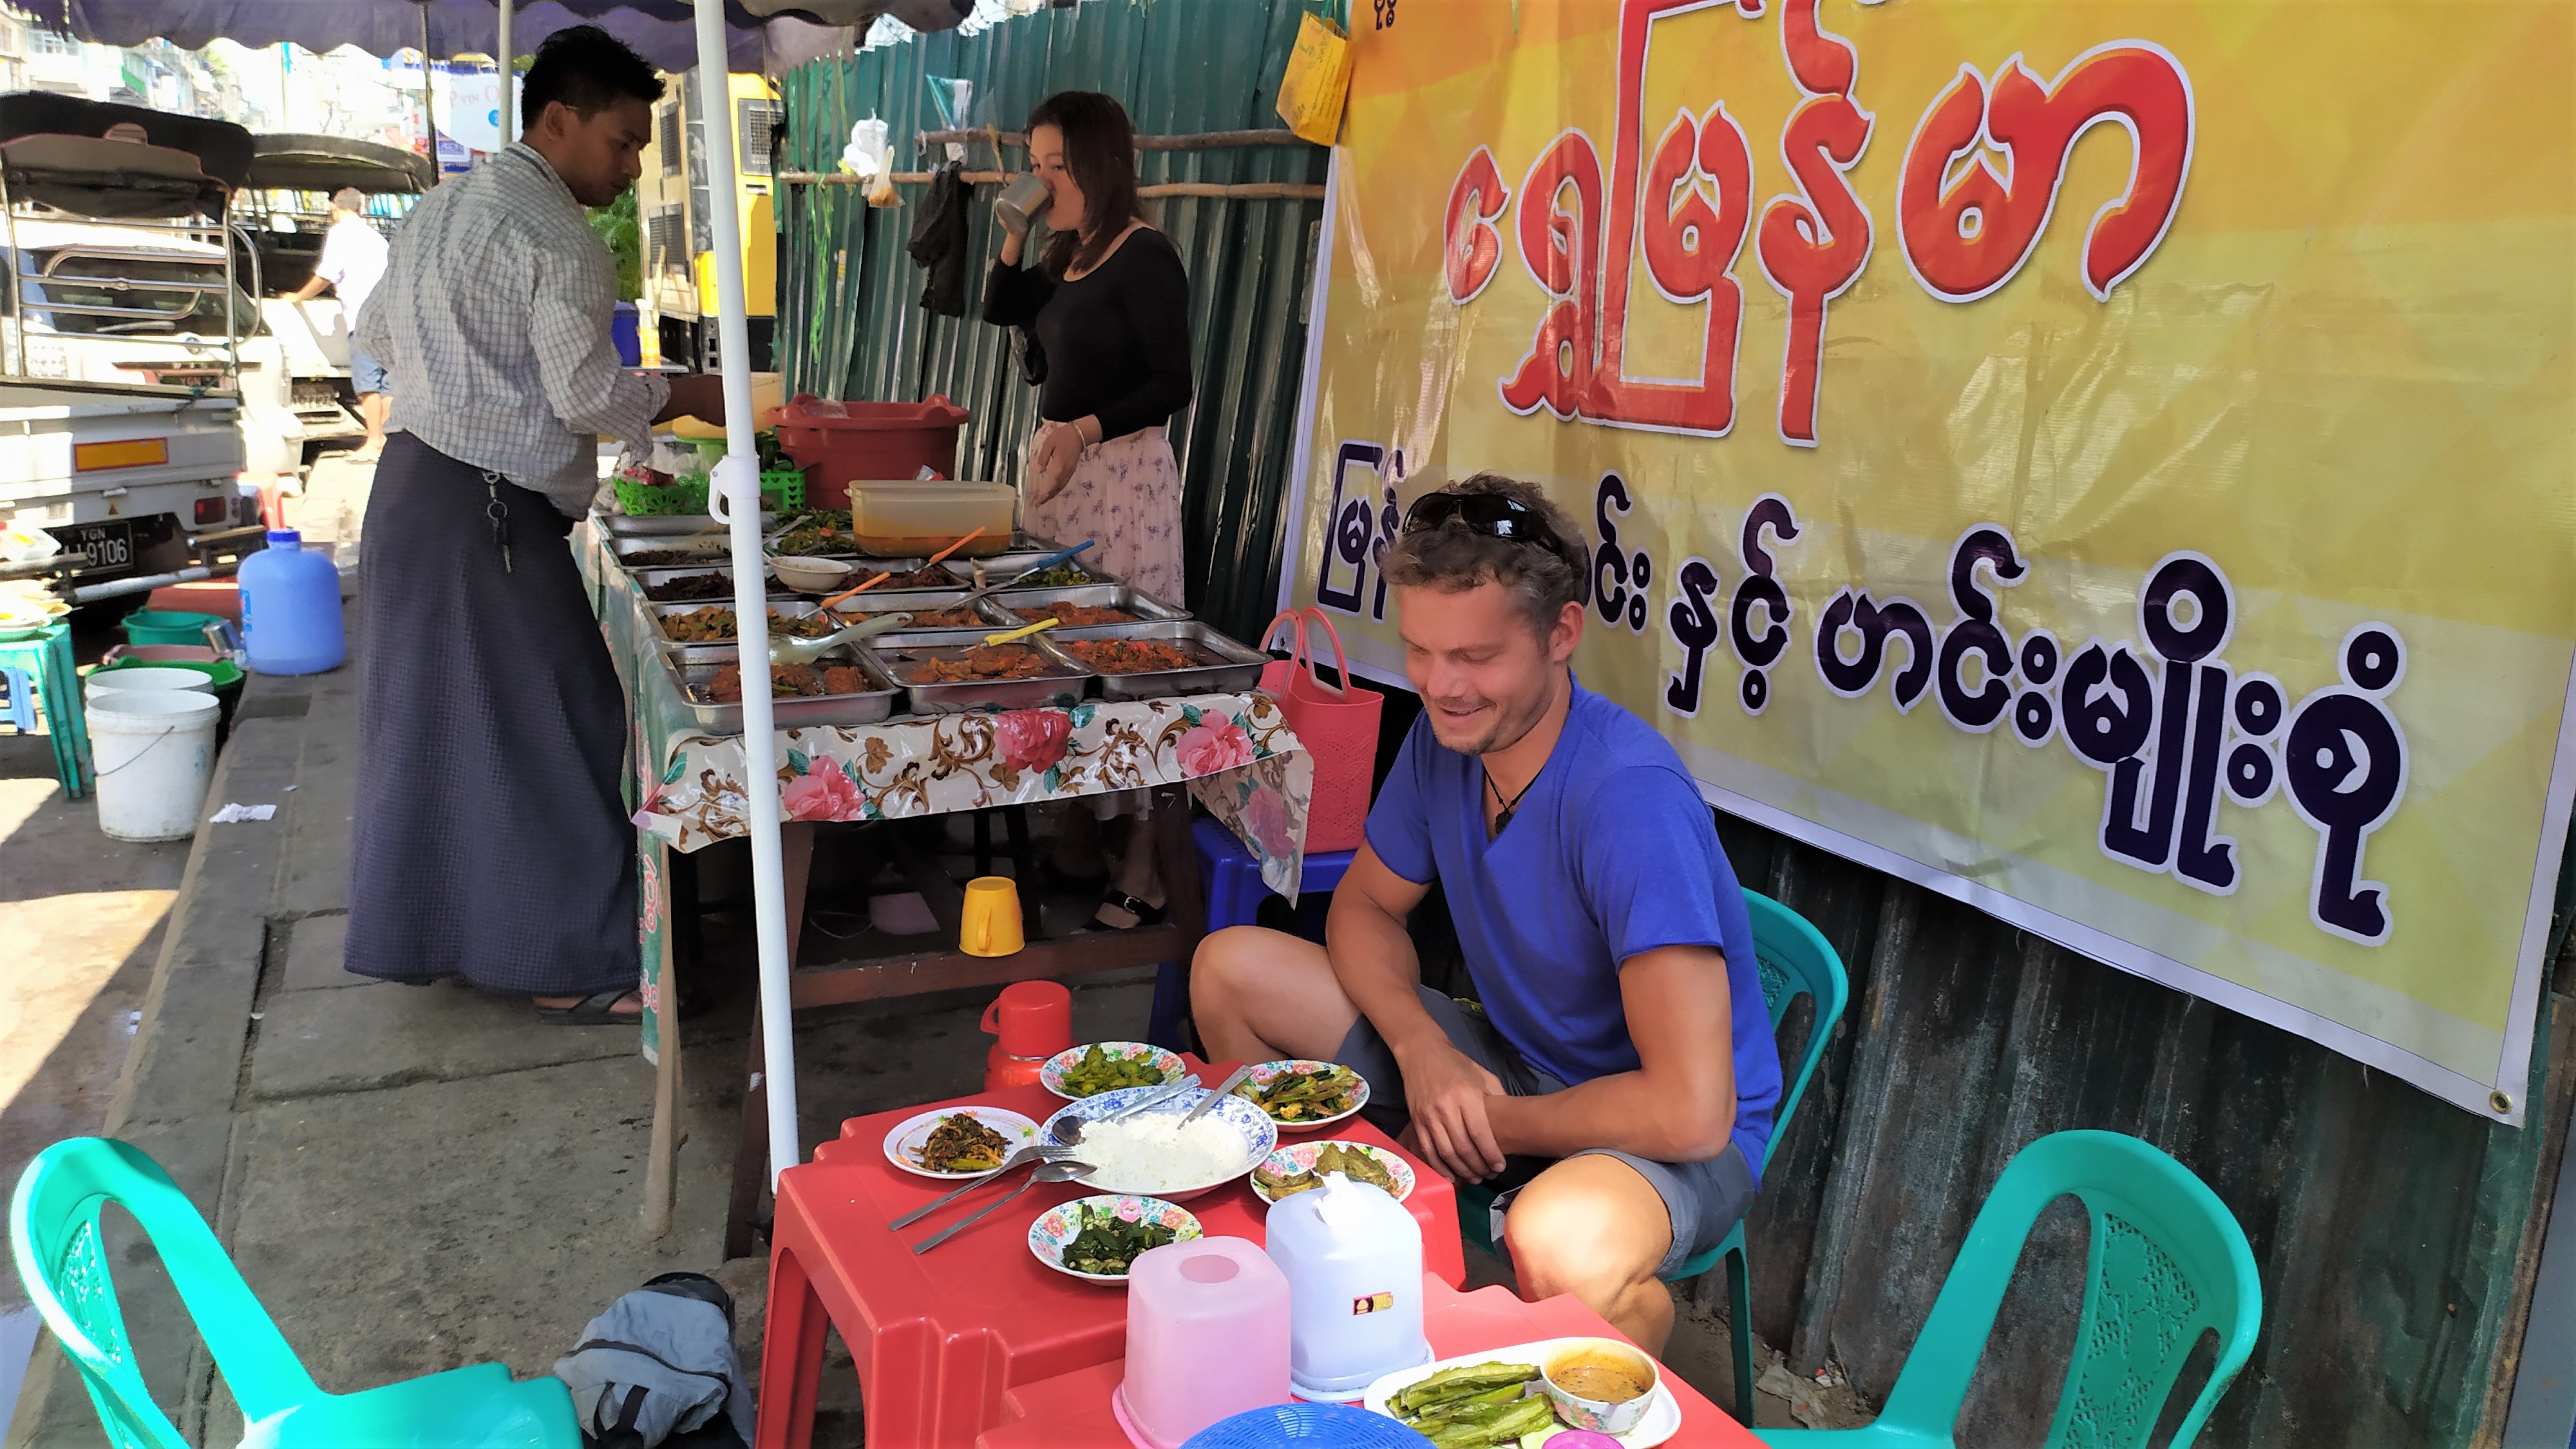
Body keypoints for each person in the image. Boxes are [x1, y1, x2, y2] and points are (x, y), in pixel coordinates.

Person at [1189, 475, 1785, 1355]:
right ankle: (1322, 1257)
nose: (1441, 685)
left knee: (1561, 1242)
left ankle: (1634, 1333)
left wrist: (1488, 1121)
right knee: (1230, 967)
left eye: (1476, 656)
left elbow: (1692, 1109)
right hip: (1509, 1062)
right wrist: (1423, 1051)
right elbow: (1360, 911)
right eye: (1422, 651)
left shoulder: (1629, 800)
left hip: (1668, 1137)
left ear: (1562, 635)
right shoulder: (1445, 741)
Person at [343, 26, 724, 1023]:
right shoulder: (558, 237)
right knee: (562, 725)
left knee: (444, 728)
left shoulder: (438, 209)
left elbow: (372, 333)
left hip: (412, 489)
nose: (633, 166)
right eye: (621, 142)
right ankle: (566, 963)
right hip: (487, 510)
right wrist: (691, 389)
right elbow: (588, 393)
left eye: (644, 146)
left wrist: (454, 370)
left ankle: (473, 941)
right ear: (557, 121)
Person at [981, 90, 1195, 931]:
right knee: (1060, 654)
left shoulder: (1145, 256)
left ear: (1100, 166)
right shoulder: (1069, 253)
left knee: (1130, 663)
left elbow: (1173, 383)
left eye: (1056, 167)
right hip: (1063, 473)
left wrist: (1085, 428)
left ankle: (1143, 860)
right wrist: (1011, 225)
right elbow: (1001, 307)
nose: (1043, 181)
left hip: (1123, 477)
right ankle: (1076, 833)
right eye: (1034, 167)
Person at [285, 187, 392, 459]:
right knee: (388, 383)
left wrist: (298, 297)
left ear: (335, 208)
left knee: (368, 384)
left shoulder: (341, 233)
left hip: (362, 318)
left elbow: (326, 274)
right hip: (389, 319)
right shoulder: (377, 238)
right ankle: (390, 442)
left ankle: (375, 441)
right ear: (360, 208)